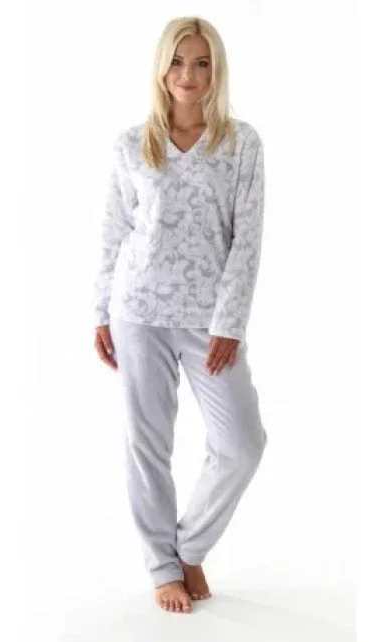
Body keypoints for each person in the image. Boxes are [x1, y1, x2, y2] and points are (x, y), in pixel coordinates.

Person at [92, 15, 267, 614]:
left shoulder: (240, 143)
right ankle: (162, 568)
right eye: (177, 61)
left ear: (216, 70)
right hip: (137, 313)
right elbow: (114, 233)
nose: (188, 75)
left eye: (201, 63)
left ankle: (189, 547)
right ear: (161, 68)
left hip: (208, 321)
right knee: (147, 444)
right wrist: (100, 312)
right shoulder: (131, 144)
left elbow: (247, 239)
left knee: (241, 443)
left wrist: (229, 323)